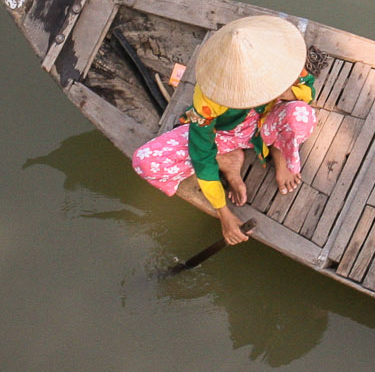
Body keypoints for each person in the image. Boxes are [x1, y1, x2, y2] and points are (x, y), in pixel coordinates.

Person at [132, 14, 318, 244]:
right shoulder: (207, 100)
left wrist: (285, 92)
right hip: (225, 133)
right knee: (145, 162)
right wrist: (224, 213)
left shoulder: (281, 58)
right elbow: (201, 154)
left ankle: (279, 153)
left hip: (266, 120)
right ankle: (227, 161)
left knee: (301, 115)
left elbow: (308, 89)